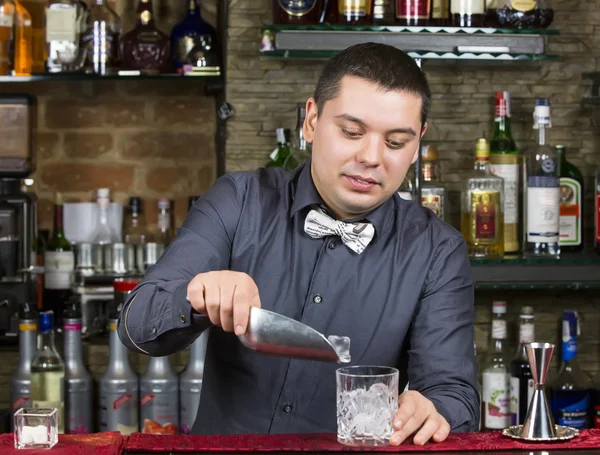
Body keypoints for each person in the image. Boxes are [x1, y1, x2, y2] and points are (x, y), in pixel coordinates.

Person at [118, 42, 480, 445]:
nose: (372, 157)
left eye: (396, 142)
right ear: (311, 120)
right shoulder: (238, 201)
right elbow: (136, 325)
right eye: (351, 132)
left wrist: (434, 410)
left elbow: (455, 395)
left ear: (418, 144)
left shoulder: (437, 252)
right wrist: (196, 297)